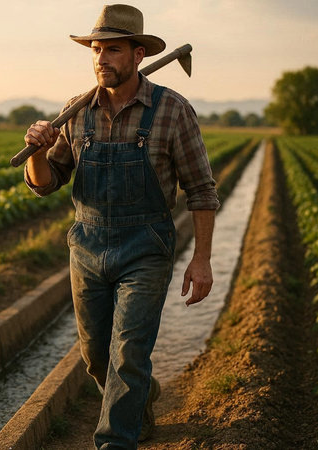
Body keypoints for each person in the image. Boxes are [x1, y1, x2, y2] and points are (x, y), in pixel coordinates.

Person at [24, 4, 219, 448]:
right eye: (96, 49)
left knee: (127, 354)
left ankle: (115, 440)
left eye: (113, 50)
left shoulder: (171, 111)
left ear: (137, 55)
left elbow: (202, 191)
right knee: (97, 359)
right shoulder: (75, 112)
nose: (101, 59)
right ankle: (141, 396)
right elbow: (46, 184)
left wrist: (202, 259)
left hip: (145, 247)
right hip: (87, 248)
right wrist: (37, 151)